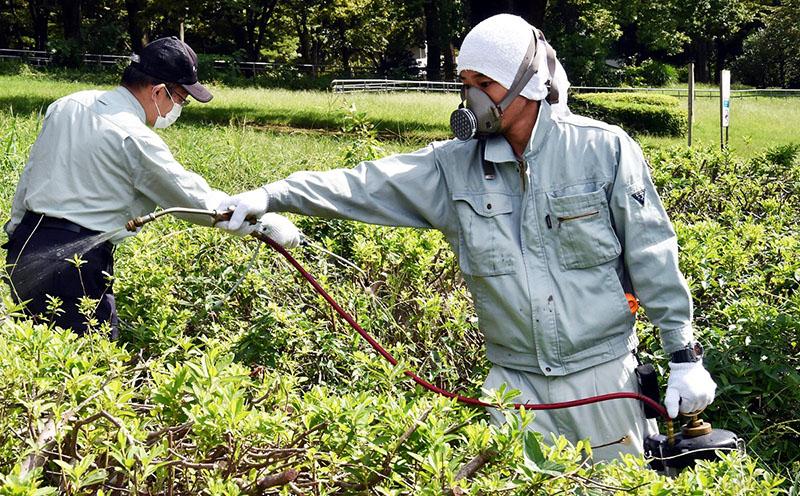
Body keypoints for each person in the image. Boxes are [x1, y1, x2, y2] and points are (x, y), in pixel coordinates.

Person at [217, 14, 716, 461]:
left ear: (532, 85)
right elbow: (361, 183)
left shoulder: (603, 150)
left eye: (485, 82)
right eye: (465, 82)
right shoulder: (452, 167)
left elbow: (652, 254)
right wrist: (272, 194)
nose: (471, 97)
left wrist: (683, 356)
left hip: (602, 377)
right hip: (513, 386)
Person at [3, 36, 301, 337]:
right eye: (181, 99)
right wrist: (258, 222)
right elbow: (193, 201)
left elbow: (31, 173)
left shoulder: (68, 105)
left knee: (33, 348)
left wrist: (15, 231)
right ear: (159, 91)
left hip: (26, 244)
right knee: (90, 361)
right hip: (74, 264)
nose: (179, 108)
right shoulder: (133, 137)